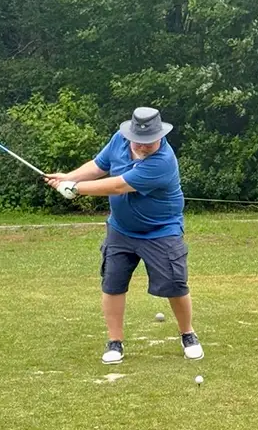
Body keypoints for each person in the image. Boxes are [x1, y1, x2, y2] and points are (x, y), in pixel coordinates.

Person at [44, 107, 203, 364]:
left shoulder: (163, 160)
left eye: (147, 142)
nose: (141, 146)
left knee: (175, 284)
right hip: (120, 229)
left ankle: (188, 334)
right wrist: (69, 177)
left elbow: (119, 185)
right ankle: (114, 342)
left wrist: (76, 189)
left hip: (160, 231)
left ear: (159, 136)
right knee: (113, 283)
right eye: (137, 141)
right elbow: (99, 166)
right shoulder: (119, 140)